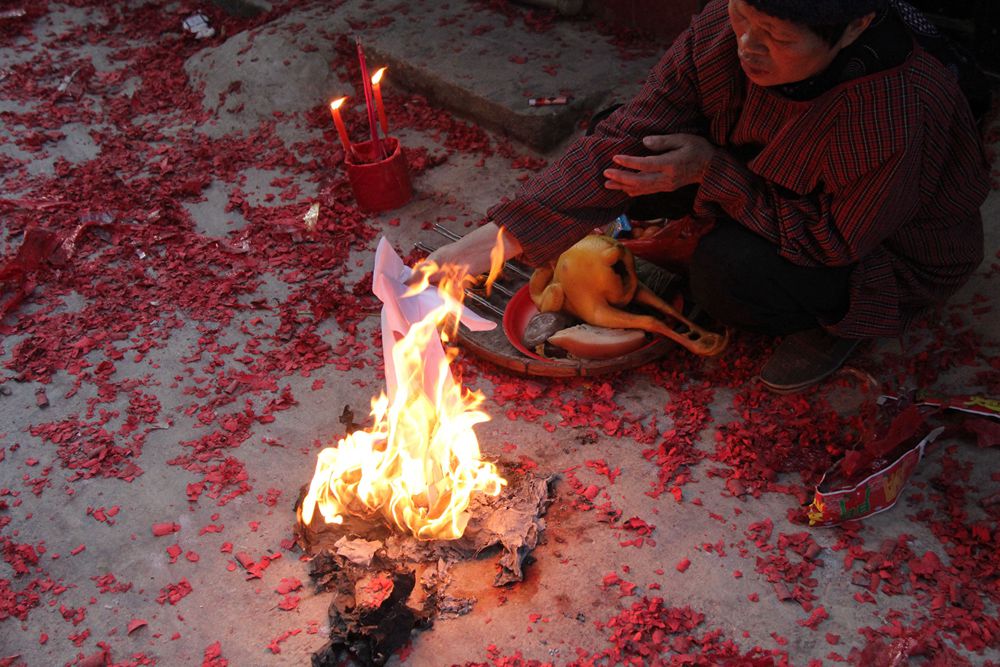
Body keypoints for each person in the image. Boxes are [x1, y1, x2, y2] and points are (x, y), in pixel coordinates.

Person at [425, 0, 990, 392]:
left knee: (726, 275)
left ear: (853, 28)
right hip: (752, 181)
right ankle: (692, 229)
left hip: (872, 252)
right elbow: (628, 136)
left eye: (779, 38)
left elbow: (833, 239)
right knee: (629, 147)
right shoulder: (723, 31)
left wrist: (712, 174)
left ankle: (835, 326)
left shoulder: (896, 109)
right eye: (742, 16)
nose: (748, 45)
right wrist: (493, 241)